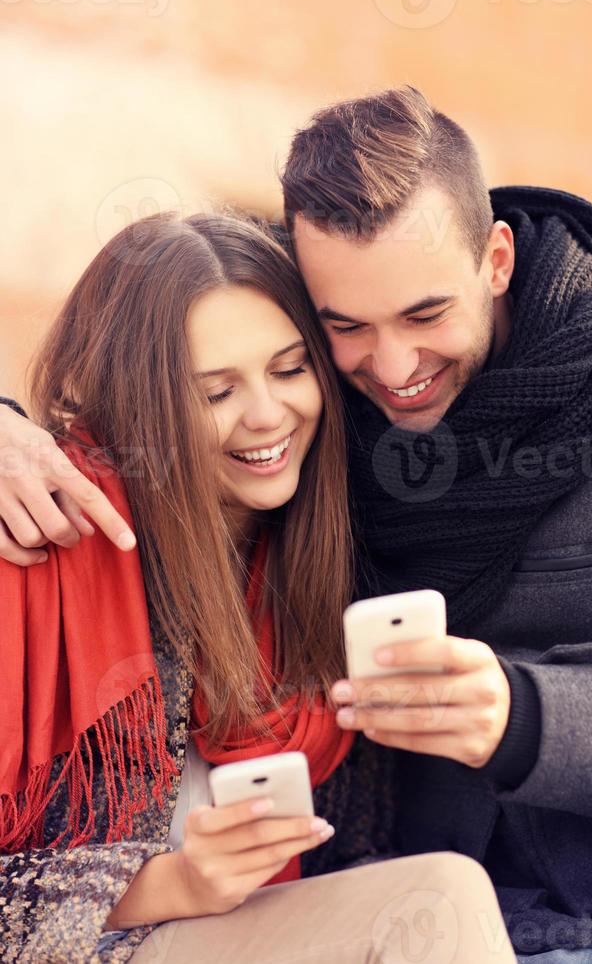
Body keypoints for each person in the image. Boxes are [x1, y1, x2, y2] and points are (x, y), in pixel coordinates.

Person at [3, 85, 592, 962]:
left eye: (425, 315)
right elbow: (142, 359)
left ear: (495, 260)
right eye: (343, 328)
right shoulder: (293, 460)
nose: (392, 368)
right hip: (418, 897)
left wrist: (530, 719)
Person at [0, 210, 515, 963]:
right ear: (136, 403)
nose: (269, 415)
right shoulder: (36, 541)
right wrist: (175, 884)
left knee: (436, 899)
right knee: (439, 902)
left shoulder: (320, 550)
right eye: (215, 393)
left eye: (289, 368)